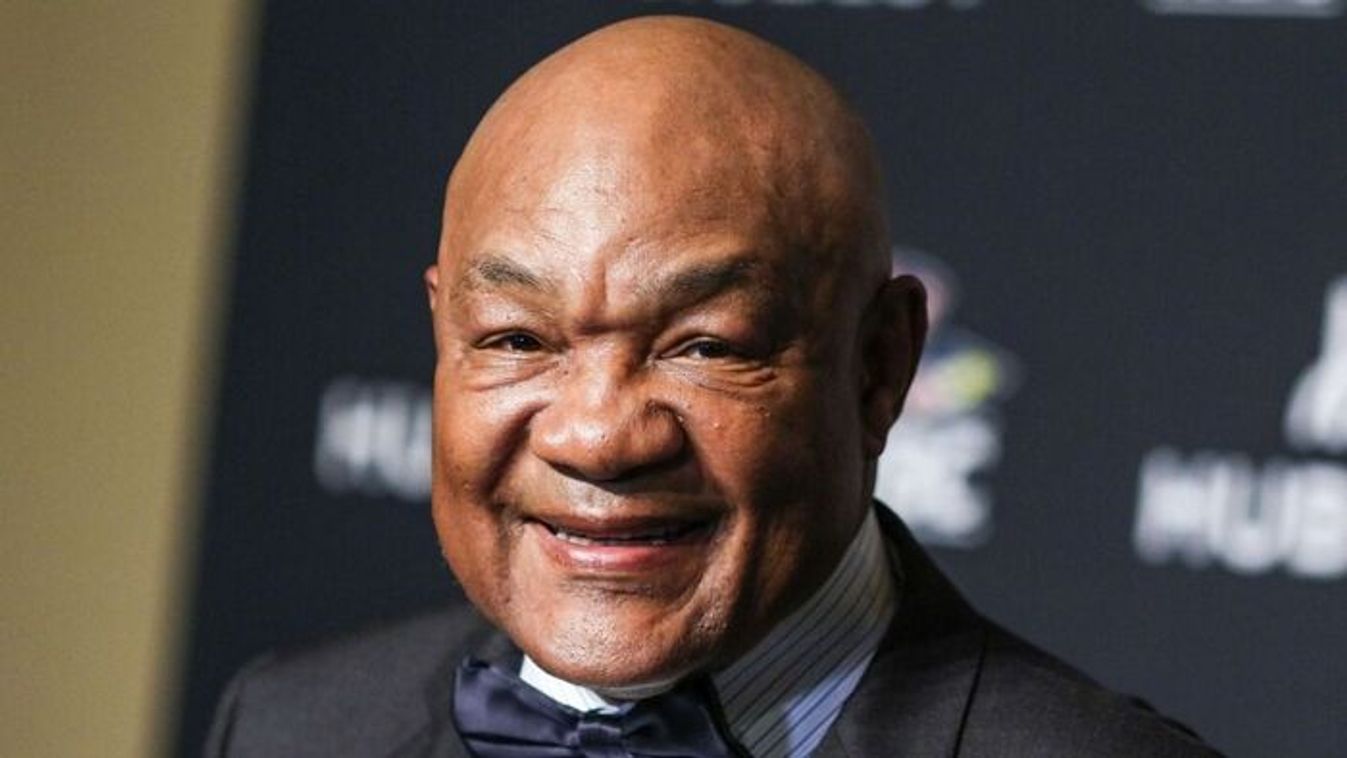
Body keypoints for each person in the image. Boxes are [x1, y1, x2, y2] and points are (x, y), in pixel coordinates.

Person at [205, 16, 1219, 758]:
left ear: (879, 367)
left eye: (702, 346)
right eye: (517, 338)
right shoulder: (289, 726)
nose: (598, 436)